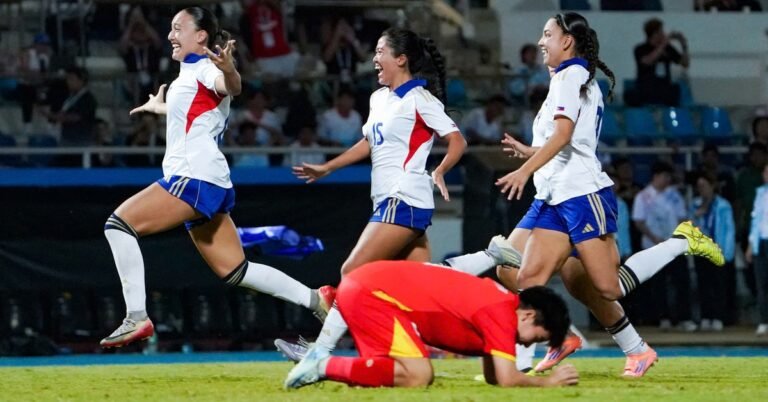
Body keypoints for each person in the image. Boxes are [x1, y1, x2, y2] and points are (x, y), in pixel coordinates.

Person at [494, 12, 723, 374]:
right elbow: (567, 140)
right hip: (554, 196)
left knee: (609, 288)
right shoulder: (567, 77)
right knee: (521, 276)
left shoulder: (571, 75)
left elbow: (565, 136)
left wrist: (525, 168)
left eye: (547, 34)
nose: (541, 41)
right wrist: (529, 153)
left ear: (567, 40)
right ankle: (528, 360)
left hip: (582, 195)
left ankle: (681, 241)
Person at [98, 6, 334, 348]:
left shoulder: (208, 68)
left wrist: (230, 69)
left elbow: (230, 86)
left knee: (118, 225)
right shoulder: (189, 74)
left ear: (201, 36)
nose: (170, 35)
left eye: (178, 28)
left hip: (193, 176)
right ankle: (317, 299)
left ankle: (137, 317)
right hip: (210, 180)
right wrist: (160, 108)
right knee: (237, 271)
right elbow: (200, 108)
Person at [283, 27, 466, 359]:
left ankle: (318, 352)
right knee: (419, 289)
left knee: (352, 272)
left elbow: (457, 140)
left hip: (405, 197)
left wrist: (439, 170)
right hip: (387, 200)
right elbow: (369, 142)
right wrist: (328, 168)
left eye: (381, 52)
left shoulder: (420, 99)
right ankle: (470, 339)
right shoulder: (378, 98)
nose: (374, 58)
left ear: (401, 59)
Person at [284, 261, 577, 389]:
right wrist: (547, 382)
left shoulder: (499, 306)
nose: (527, 345)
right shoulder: (501, 311)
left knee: (398, 375)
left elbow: (497, 377)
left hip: (367, 288)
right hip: (373, 295)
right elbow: (509, 378)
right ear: (528, 316)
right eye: (535, 338)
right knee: (419, 375)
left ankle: (322, 364)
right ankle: (321, 365)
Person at [632, 161, 694, 331]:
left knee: (681, 282)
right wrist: (655, 238)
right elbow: (639, 222)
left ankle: (684, 318)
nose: (668, 180)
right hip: (654, 248)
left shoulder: (674, 195)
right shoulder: (643, 196)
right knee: (658, 285)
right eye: (665, 176)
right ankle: (663, 318)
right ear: (656, 176)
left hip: (674, 246)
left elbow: (682, 217)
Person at [690, 172, 735, 332]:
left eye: (704, 186)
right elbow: (688, 227)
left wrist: (727, 251)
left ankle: (718, 317)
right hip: (701, 250)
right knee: (703, 285)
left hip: (718, 249)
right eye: (699, 186)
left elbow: (729, 229)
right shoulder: (695, 205)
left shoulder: (723, 205)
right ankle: (706, 317)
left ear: (712, 186)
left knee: (718, 285)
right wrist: (696, 217)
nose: (701, 189)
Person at [629, 18, 689, 107]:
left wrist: (684, 46)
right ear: (654, 34)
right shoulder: (640, 49)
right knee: (632, 96)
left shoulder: (668, 48)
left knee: (675, 90)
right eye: (661, 32)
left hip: (664, 88)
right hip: (646, 88)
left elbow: (685, 63)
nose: (663, 34)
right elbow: (647, 61)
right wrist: (663, 44)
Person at [746, 164, 768, 336]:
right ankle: (763, 321)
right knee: (762, 284)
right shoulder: (760, 193)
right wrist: (751, 245)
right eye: (765, 172)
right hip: (761, 242)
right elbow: (756, 221)